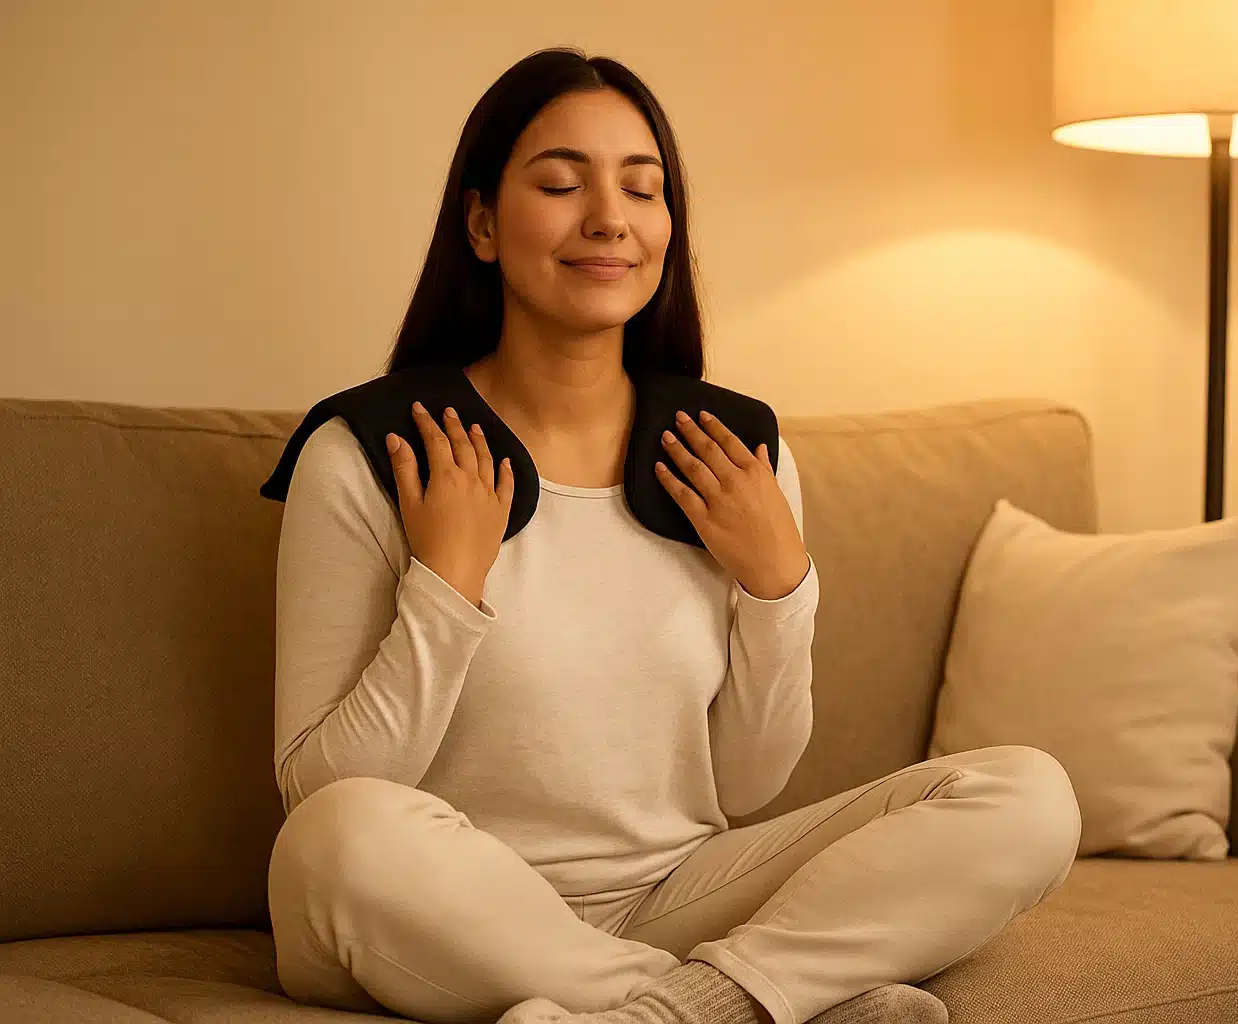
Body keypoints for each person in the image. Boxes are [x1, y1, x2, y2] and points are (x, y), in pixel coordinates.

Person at [265, 47, 1081, 1024]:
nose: (609, 217)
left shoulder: (731, 456)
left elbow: (747, 783)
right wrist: (444, 587)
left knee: (1027, 795)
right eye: (562, 183)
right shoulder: (375, 452)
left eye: (642, 189)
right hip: (445, 906)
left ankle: (661, 1012)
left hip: (674, 897)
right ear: (481, 222)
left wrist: (781, 585)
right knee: (339, 835)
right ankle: (758, 1002)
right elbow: (317, 792)